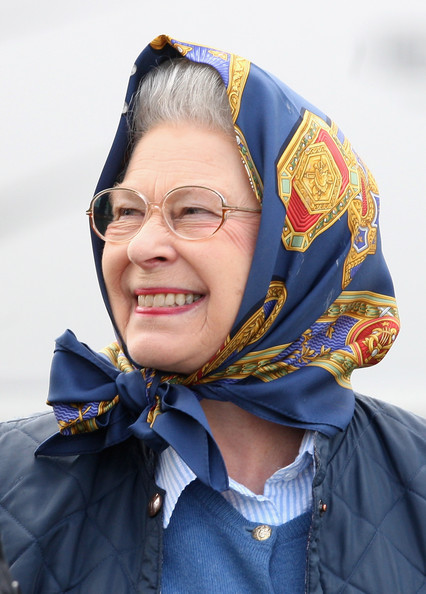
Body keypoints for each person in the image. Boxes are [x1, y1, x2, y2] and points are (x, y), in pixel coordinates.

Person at [0, 34, 424, 593]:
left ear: (297, 246)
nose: (142, 246)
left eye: (193, 209)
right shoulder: (12, 486)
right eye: (126, 209)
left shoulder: (414, 481)